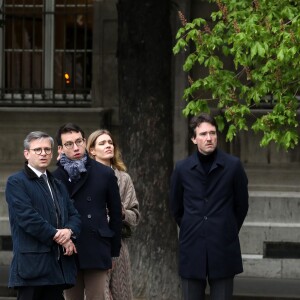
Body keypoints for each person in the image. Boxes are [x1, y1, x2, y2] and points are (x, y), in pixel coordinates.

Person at [170, 113, 249, 300]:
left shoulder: (233, 166)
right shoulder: (182, 168)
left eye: (212, 133)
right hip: (192, 245)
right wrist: (194, 226)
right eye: (203, 134)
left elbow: (242, 205)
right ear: (193, 138)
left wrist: (226, 227)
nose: (209, 138)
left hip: (223, 245)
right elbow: (176, 207)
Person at [5, 131, 81, 300]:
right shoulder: (16, 182)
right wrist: (58, 235)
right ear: (27, 153)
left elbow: (74, 215)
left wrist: (69, 231)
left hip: (57, 268)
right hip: (31, 268)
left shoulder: (57, 184)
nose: (43, 153)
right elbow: (28, 218)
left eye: (47, 149)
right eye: (37, 149)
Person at [52, 123, 122, 300]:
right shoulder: (55, 177)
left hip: (97, 245)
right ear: (60, 148)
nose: (75, 147)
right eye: (69, 144)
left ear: (85, 142)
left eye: (79, 141)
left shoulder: (104, 173)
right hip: (68, 248)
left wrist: (113, 251)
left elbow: (115, 214)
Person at [86, 129, 140, 300]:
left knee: (121, 294)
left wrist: (121, 212)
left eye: (110, 143)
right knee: (97, 294)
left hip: (118, 244)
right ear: (92, 150)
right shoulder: (84, 177)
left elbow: (135, 215)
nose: (108, 146)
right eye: (102, 143)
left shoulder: (124, 178)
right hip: (93, 245)